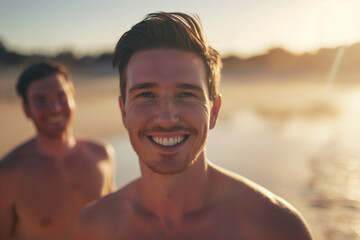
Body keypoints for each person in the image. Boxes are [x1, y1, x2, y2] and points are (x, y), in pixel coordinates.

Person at [74, 12, 313, 240]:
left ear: (214, 112)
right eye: (146, 94)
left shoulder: (275, 227)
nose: (166, 118)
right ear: (123, 111)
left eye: (186, 94)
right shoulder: (95, 226)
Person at [0, 61, 115, 240]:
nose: (54, 108)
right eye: (41, 100)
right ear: (26, 109)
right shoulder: (8, 174)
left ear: (73, 99)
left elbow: (115, 219)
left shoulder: (101, 155)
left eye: (61, 96)